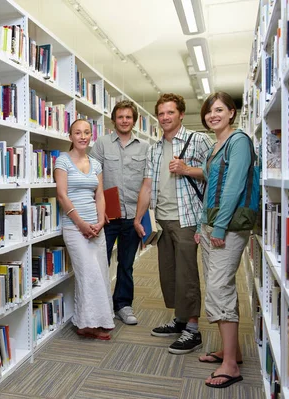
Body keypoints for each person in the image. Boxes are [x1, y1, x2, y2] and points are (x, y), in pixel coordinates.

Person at [134, 93, 213, 354]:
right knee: (168, 273)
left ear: (180, 114)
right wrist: (139, 217)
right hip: (162, 220)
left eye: (170, 112)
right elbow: (147, 185)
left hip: (188, 219)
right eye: (161, 113)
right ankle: (180, 320)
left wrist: (187, 169)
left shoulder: (199, 139)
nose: (165, 117)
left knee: (187, 274)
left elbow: (216, 173)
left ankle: (193, 330)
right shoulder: (154, 148)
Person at [195, 92, 255, 388]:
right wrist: (200, 224)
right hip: (210, 225)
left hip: (228, 228)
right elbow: (209, 190)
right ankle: (232, 351)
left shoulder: (239, 141)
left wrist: (218, 228)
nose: (212, 115)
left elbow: (233, 187)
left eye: (219, 110)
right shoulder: (215, 146)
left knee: (219, 288)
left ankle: (230, 366)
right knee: (219, 289)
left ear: (232, 112)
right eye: (208, 111)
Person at [90, 100, 149, 325]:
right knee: (100, 262)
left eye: (129, 117)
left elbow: (147, 182)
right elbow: (93, 179)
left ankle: (123, 304)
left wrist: (140, 216)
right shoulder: (102, 144)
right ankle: (100, 305)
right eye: (120, 117)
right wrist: (99, 210)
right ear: (113, 120)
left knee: (126, 263)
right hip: (106, 216)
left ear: (134, 120)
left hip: (133, 217)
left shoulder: (144, 148)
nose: (124, 121)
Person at [55, 119, 115, 340]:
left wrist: (100, 221)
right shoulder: (62, 161)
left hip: (96, 228)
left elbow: (99, 195)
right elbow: (62, 195)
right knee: (88, 274)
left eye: (87, 132)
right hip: (74, 227)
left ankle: (93, 320)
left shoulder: (95, 163)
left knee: (100, 273)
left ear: (92, 135)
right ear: (70, 136)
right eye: (77, 132)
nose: (82, 136)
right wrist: (81, 223)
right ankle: (88, 324)